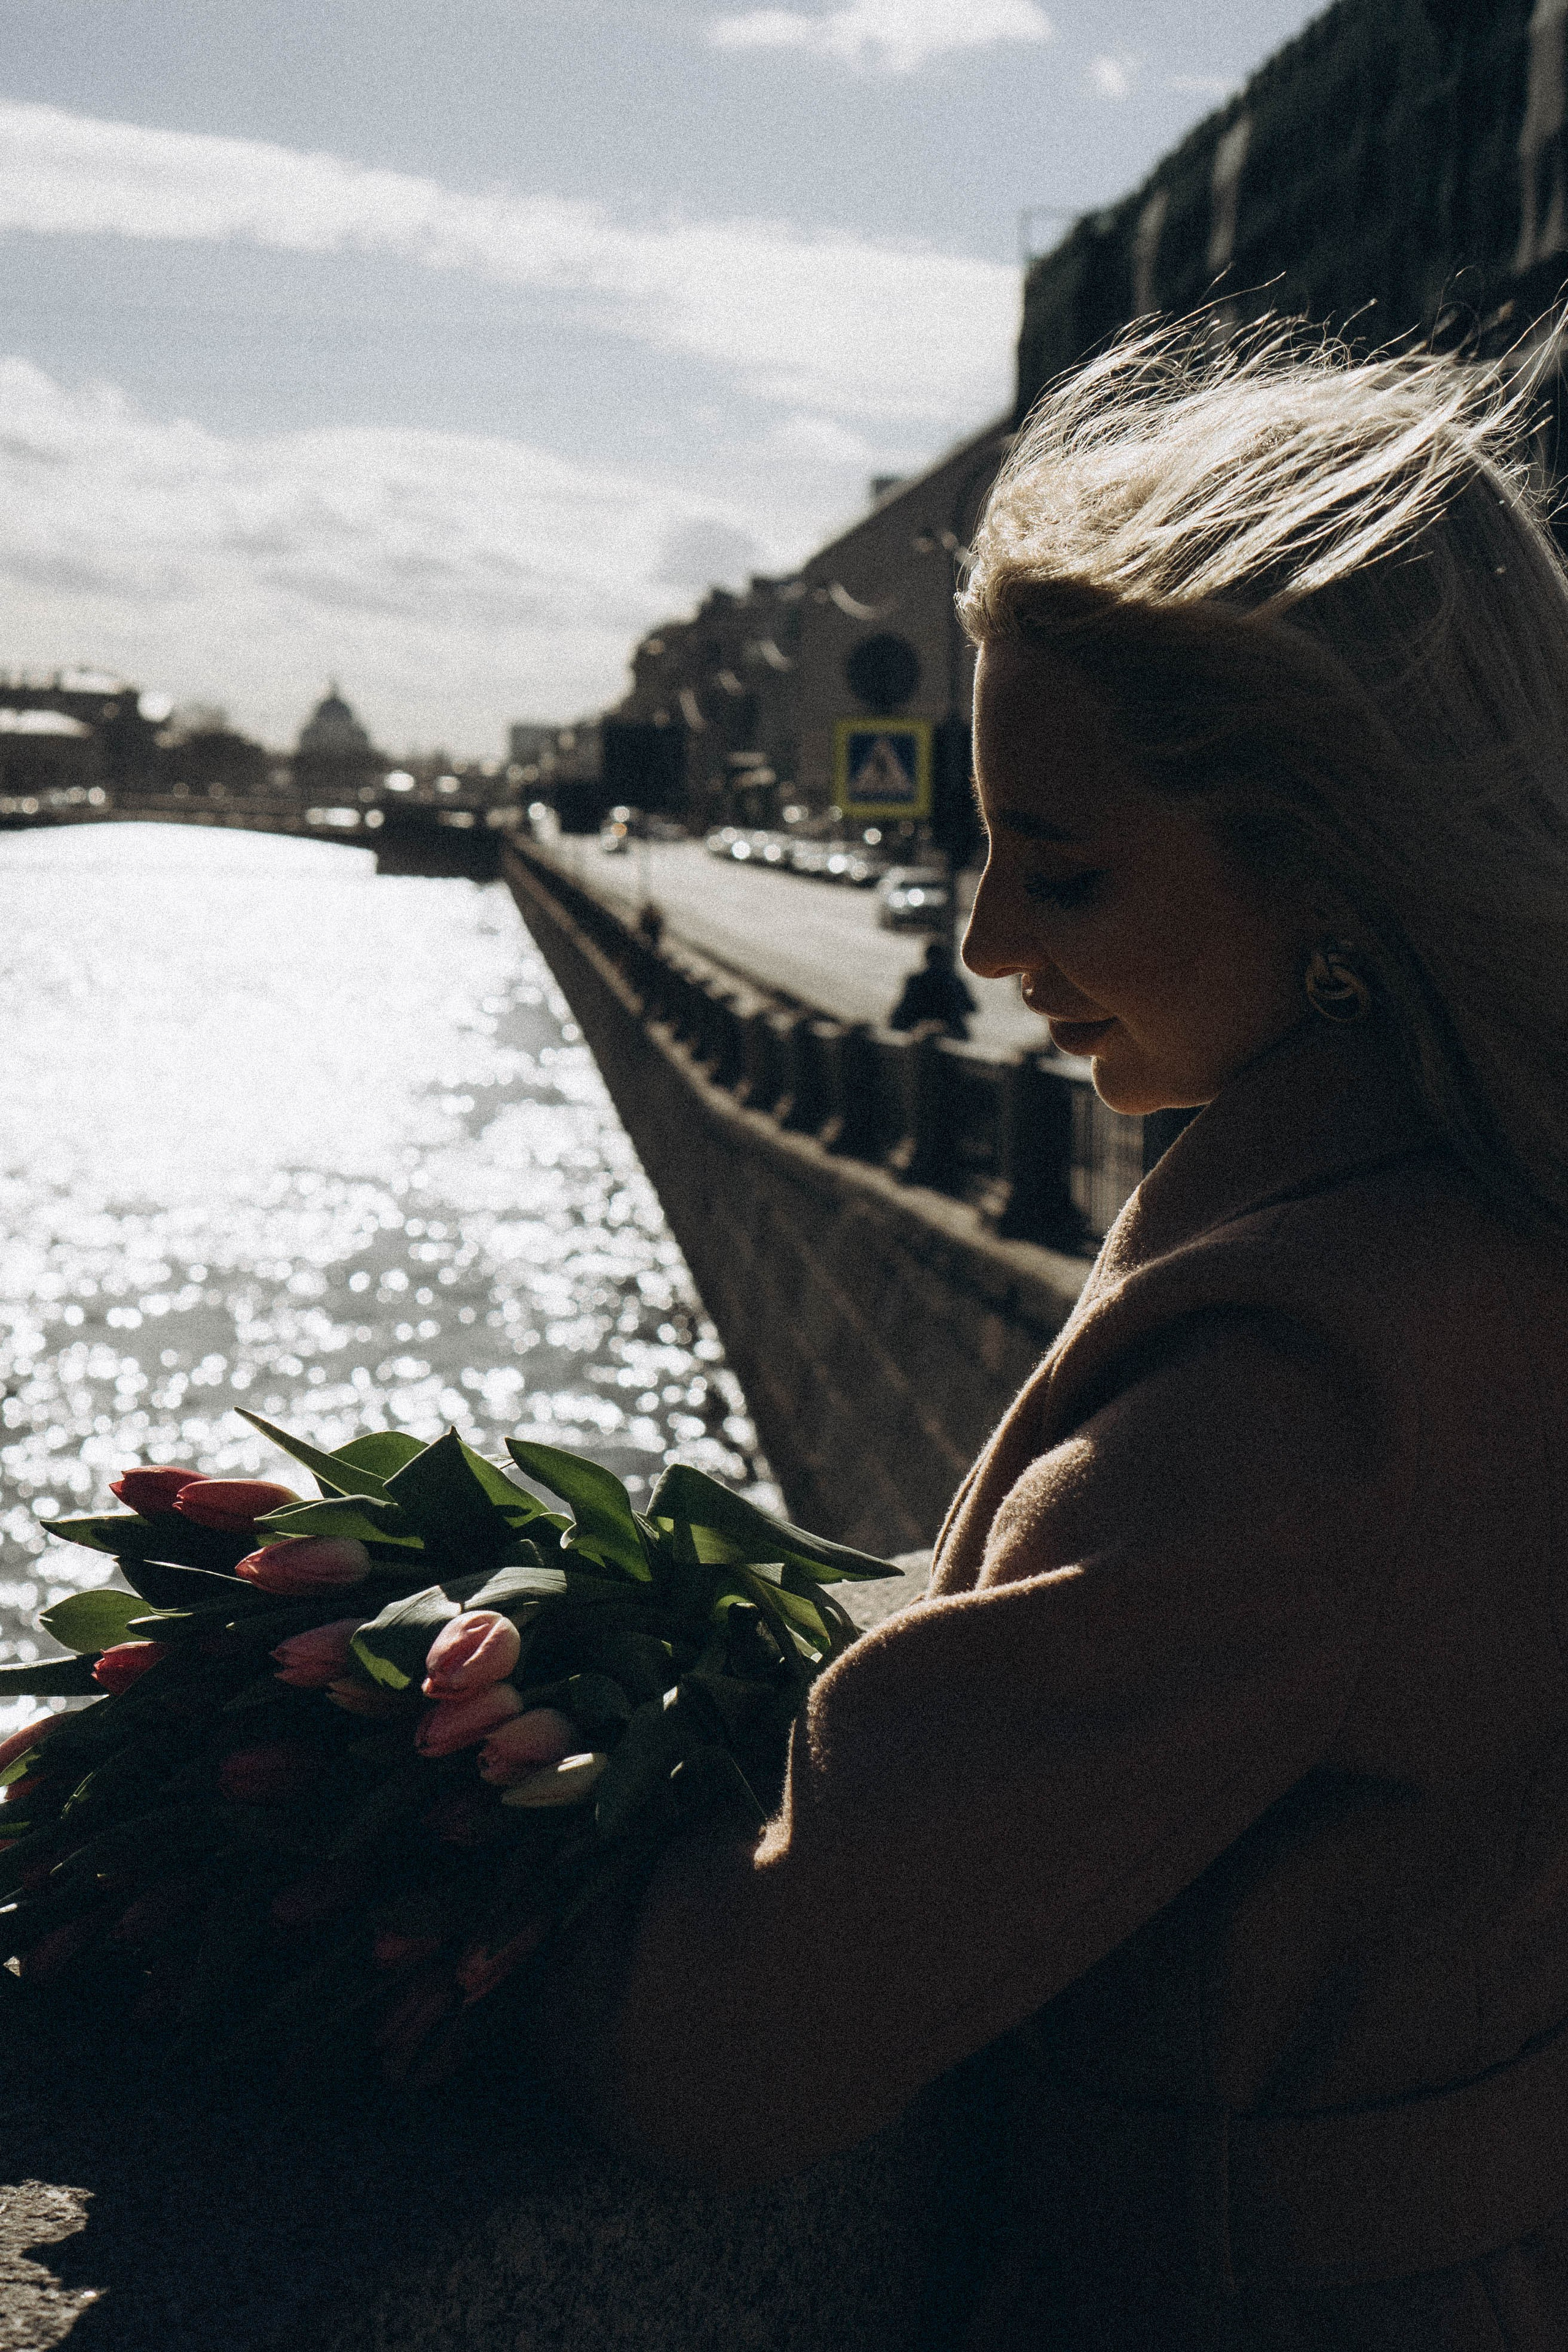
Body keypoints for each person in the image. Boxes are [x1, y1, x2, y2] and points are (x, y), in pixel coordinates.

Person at [524, 322, 1568, 2350]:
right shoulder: (1494, 1229)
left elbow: (730, 2046)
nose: (994, 949)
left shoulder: (1308, 1384)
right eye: (983, 851)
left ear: (1338, 866)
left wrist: (474, 1862)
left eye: (1065, 867)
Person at [888, 934, 978, 1038]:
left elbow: (903, 1010)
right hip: (948, 1032)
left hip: (915, 1029)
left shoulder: (916, 980)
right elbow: (971, 1007)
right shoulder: (954, 982)